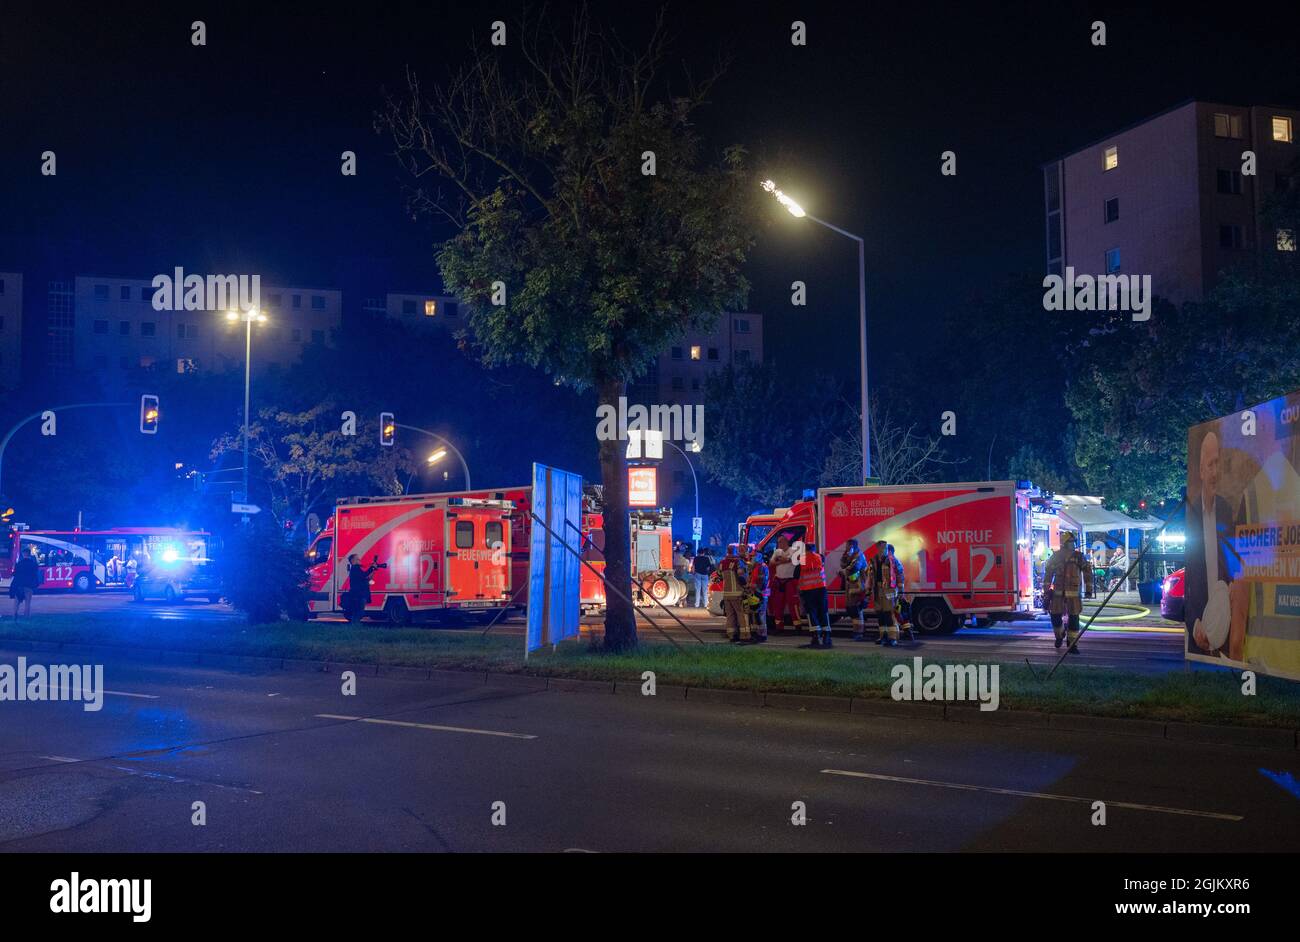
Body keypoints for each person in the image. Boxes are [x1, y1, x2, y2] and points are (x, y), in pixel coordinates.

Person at [1043, 531, 1093, 653]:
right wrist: (1046, 591)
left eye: (1073, 542)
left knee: (1074, 619)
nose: (1073, 544)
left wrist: (1088, 590)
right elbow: (1048, 573)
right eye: (1071, 542)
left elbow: (1088, 572)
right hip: (1058, 593)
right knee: (1055, 617)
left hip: (1074, 593)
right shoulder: (1055, 556)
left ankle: (1072, 644)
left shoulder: (1078, 556)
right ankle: (1059, 636)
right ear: (1065, 543)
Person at [797, 541, 831, 648]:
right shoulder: (820, 557)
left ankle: (816, 635)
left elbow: (797, 573)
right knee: (823, 611)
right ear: (814, 549)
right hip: (821, 588)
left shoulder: (802, 558)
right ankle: (827, 635)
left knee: (812, 613)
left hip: (808, 590)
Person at [866, 539, 900, 646]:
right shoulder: (873, 560)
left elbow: (900, 573)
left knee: (888, 613)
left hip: (889, 590)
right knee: (880, 614)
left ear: (886, 549)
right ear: (877, 548)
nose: (882, 550)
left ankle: (892, 638)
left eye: (884, 548)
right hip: (877, 589)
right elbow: (869, 576)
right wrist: (868, 589)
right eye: (880, 548)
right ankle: (883, 636)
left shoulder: (892, 560)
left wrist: (901, 589)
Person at [768, 535, 801, 631]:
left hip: (790, 581)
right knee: (778, 604)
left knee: (793, 604)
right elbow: (771, 563)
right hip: (779, 581)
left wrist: (780, 560)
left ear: (786, 542)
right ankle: (779, 626)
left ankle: (798, 626)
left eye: (781, 542)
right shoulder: (777, 551)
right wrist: (784, 560)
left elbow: (793, 560)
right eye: (778, 542)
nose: (779, 544)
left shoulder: (793, 550)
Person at [839, 538, 869, 640]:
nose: (846, 548)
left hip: (858, 585)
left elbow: (854, 568)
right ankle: (857, 630)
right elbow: (842, 564)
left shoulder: (858, 556)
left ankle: (859, 632)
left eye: (847, 546)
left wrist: (843, 572)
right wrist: (845, 556)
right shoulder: (850, 556)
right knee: (852, 609)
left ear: (852, 546)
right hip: (851, 585)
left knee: (857, 609)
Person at [717, 545, 748, 642]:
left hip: (726, 594)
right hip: (737, 593)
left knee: (730, 615)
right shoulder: (738, 562)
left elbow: (719, 576)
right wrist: (746, 585)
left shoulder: (722, 563)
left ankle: (731, 635)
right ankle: (744, 635)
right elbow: (741, 576)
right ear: (735, 551)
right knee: (741, 614)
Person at [343, 554, 381, 623]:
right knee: (359, 612)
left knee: (359, 612)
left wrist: (373, 570)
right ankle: (355, 625)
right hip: (359, 595)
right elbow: (364, 575)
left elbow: (366, 578)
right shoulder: (355, 568)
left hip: (360, 594)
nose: (359, 560)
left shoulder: (356, 569)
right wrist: (372, 568)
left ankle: (355, 625)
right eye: (357, 559)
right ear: (353, 561)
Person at [744, 549, 770, 643]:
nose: (751, 558)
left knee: (760, 615)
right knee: (754, 615)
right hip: (755, 593)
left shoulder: (762, 567)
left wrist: (752, 586)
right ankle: (755, 634)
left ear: (759, 556)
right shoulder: (755, 567)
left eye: (753, 556)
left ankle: (762, 635)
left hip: (760, 594)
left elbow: (762, 582)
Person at [8, 550, 40, 620]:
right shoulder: (33, 564)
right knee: (27, 603)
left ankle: (15, 615)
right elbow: (35, 574)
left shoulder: (19, 564)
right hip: (29, 586)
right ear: (29, 554)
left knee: (16, 602)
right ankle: (26, 617)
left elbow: (14, 574)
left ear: (23, 554)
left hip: (19, 585)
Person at [887, 543, 910, 633]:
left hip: (894, 592)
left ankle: (904, 631)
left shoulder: (894, 561)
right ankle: (906, 630)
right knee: (896, 611)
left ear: (889, 551)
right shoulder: (892, 561)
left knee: (895, 611)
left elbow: (900, 577)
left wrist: (901, 592)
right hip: (892, 591)